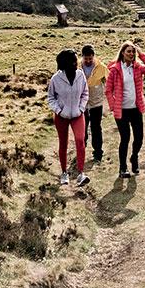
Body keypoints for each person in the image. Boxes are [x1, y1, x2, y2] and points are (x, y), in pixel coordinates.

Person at [103, 40, 145, 177]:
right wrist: (113, 105)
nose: (131, 54)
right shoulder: (115, 69)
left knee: (139, 138)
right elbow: (108, 90)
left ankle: (134, 157)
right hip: (122, 110)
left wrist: (141, 53)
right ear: (122, 53)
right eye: (129, 51)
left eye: (133, 52)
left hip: (135, 108)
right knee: (125, 138)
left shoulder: (137, 67)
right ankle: (123, 168)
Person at [46, 48, 91, 188]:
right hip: (62, 117)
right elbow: (50, 98)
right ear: (66, 62)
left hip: (78, 114)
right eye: (73, 60)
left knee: (80, 140)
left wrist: (81, 108)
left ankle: (80, 173)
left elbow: (85, 93)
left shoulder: (80, 75)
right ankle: (64, 173)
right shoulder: (56, 79)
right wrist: (59, 111)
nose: (76, 62)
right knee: (63, 143)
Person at [80, 44, 106, 164]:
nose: (88, 61)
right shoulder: (77, 67)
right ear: (82, 57)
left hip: (96, 102)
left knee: (96, 127)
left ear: (93, 56)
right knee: (82, 128)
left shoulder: (101, 67)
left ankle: (98, 152)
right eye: (86, 59)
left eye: (90, 58)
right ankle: (81, 149)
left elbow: (108, 81)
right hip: (81, 103)